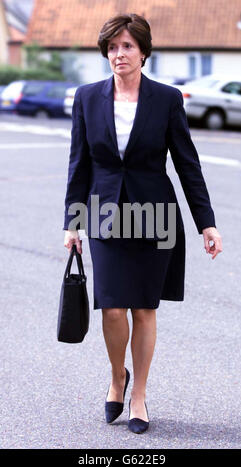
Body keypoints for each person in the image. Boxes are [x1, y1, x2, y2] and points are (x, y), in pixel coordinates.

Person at [63, 13, 222, 434]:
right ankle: (118, 376)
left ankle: (138, 395)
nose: (119, 54)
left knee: (145, 309)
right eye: (112, 47)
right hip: (104, 213)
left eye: (127, 46)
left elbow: (188, 164)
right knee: (112, 307)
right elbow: (79, 164)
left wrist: (206, 222)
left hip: (157, 215)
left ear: (144, 52)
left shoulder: (167, 99)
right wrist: (72, 223)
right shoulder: (86, 97)